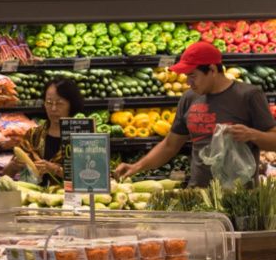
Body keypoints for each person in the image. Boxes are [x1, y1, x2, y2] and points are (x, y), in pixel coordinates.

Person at [115, 39, 276, 187]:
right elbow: (170, 146)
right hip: (199, 193)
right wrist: (136, 167)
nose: (188, 82)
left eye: (193, 76)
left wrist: (252, 135)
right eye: (186, 76)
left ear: (212, 70)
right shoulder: (189, 98)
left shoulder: (248, 95)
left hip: (239, 196)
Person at [22, 78, 84, 182]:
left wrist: (56, 170)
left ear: (71, 104)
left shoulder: (83, 137)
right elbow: (7, 173)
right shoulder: (33, 135)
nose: (53, 109)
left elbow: (94, 175)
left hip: (71, 196)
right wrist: (14, 166)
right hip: (35, 195)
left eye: (59, 103)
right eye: (49, 103)